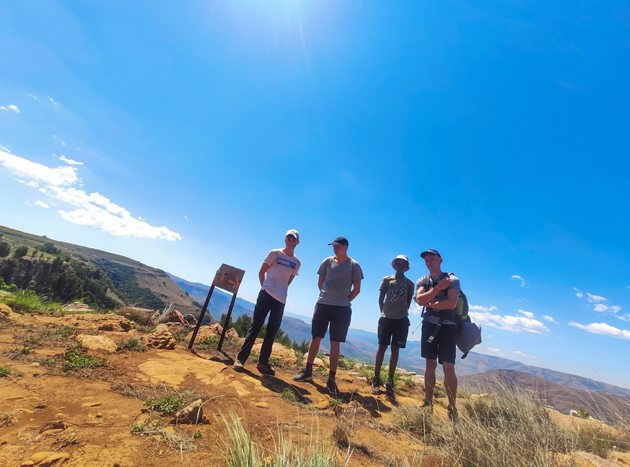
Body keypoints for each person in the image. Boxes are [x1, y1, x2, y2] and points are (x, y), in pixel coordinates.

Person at [293, 237, 363, 395]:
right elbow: (320, 282)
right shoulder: (327, 262)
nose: (334, 249)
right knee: (316, 337)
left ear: (345, 247)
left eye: (337, 246)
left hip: (342, 309)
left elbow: (357, 289)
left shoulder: (354, 265)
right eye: (333, 246)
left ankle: (331, 380)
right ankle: (308, 371)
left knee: (335, 342)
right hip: (323, 304)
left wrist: (344, 300)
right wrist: (327, 297)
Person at [233, 230, 301, 376]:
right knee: (256, 326)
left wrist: (280, 290)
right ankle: (240, 359)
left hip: (280, 300)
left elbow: (288, 281)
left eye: (293, 239)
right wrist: (265, 287)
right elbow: (261, 272)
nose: (290, 241)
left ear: (297, 242)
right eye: (288, 238)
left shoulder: (297, 262)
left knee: (272, 332)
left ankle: (263, 363)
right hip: (266, 294)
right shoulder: (274, 253)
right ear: (285, 240)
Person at [414, 249, 459, 420]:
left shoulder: (453, 280)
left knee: (448, 367)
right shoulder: (423, 280)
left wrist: (430, 302)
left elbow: (452, 304)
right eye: (427, 260)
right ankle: (428, 401)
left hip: (448, 327)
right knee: (430, 364)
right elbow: (420, 300)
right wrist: (439, 288)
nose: (429, 262)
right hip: (429, 325)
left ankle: (452, 406)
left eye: (432, 259)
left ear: (440, 260)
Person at [372, 255, 414, 395]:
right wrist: (384, 313)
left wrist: (401, 312)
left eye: (403, 264)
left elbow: (408, 302)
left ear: (406, 267)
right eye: (398, 263)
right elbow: (380, 299)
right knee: (382, 347)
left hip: (401, 320)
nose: (400, 266)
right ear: (394, 265)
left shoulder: (410, 283)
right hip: (386, 318)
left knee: (395, 349)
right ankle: (376, 377)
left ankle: (390, 379)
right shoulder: (387, 279)